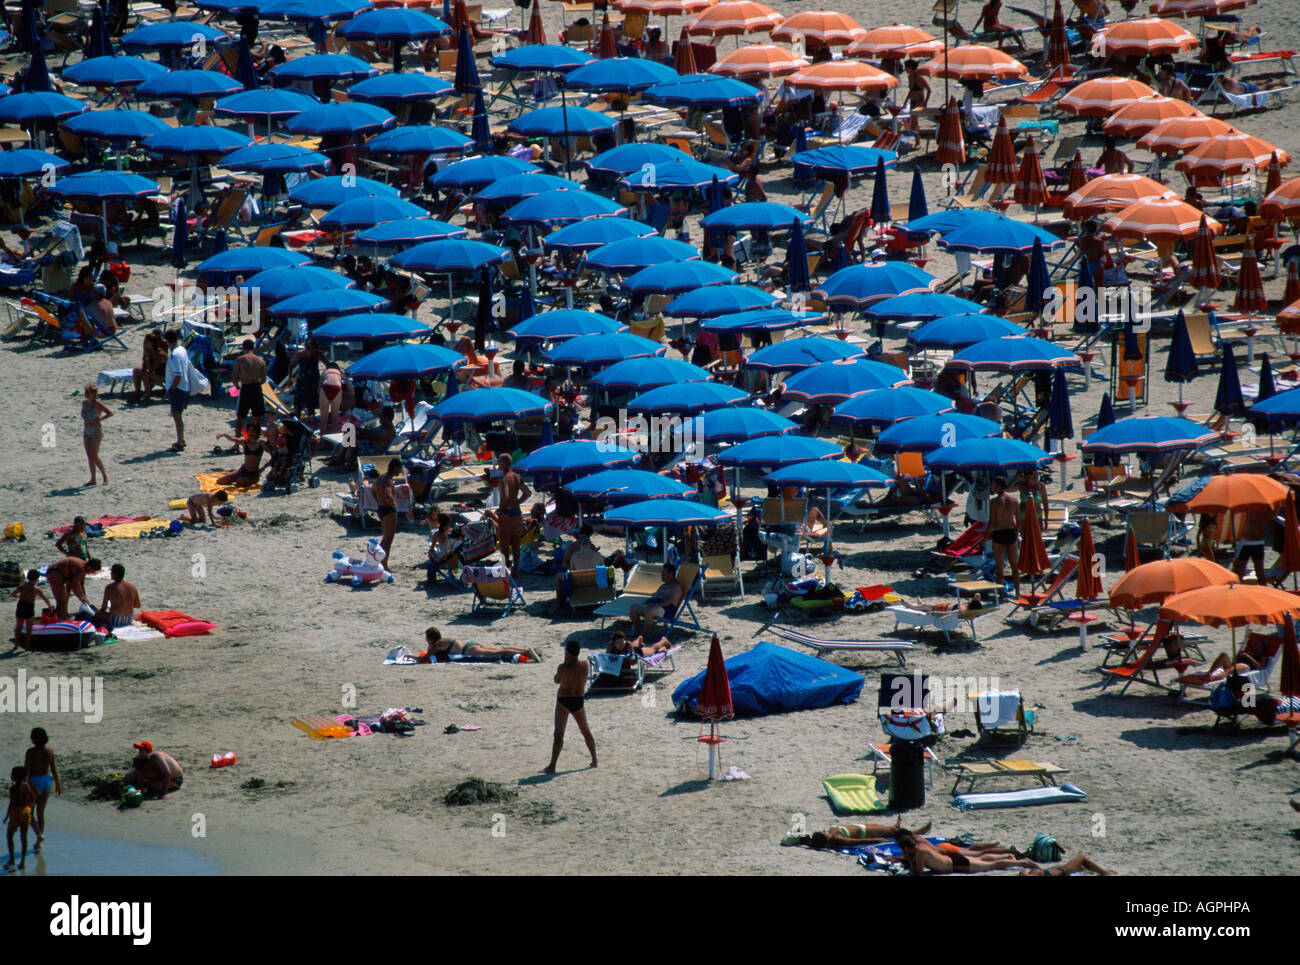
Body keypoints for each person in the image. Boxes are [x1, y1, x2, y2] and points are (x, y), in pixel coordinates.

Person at [544, 639, 597, 773]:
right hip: (578, 699)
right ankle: (595, 759)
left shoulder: (563, 667)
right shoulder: (585, 665)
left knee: (559, 734)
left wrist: (564, 661)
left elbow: (557, 680)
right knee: (585, 730)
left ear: (567, 652)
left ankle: (552, 765)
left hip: (563, 700)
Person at [895, 831, 1037, 874]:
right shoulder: (920, 847)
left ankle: (1023, 862)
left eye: (903, 849)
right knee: (982, 858)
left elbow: (918, 871)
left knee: (991, 865)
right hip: (953, 859)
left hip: (957, 865)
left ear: (907, 847)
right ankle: (1008, 855)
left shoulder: (920, 852)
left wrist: (908, 860)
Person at [23, 728, 60, 851]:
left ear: (35, 739)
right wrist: (58, 784)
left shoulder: (30, 752)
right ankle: (39, 842)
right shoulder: (49, 750)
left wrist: (23, 785)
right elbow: (53, 768)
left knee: (28, 812)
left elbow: (26, 770)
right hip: (46, 781)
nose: (30, 738)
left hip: (34, 782)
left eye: (31, 736)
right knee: (40, 813)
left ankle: (39, 834)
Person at [419, 626, 540, 662]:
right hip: (471, 643)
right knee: (500, 648)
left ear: (431, 638)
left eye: (426, 638)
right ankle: (526, 649)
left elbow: (424, 657)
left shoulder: (437, 645)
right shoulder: (444, 640)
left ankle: (526, 652)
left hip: (469, 650)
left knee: (500, 652)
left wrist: (412, 657)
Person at [495, 453, 531, 573]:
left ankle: (505, 570)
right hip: (516, 512)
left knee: (504, 544)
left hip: (506, 513)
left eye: (499, 461)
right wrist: (518, 502)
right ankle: (516, 569)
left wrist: (500, 509)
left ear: (504, 463)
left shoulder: (504, 479)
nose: (498, 464)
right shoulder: (516, 476)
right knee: (516, 542)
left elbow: (504, 496)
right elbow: (527, 493)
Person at [629, 562, 684, 638]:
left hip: (666, 610)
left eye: (663, 573)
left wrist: (656, 604)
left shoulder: (676, 587)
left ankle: (643, 636)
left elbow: (671, 601)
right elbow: (655, 596)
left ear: (671, 574)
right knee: (633, 608)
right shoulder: (663, 586)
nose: (661, 575)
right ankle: (638, 631)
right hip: (654, 606)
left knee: (649, 612)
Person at [988, 477, 1021, 592]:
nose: (992, 487)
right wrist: (1016, 534)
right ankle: (1018, 593)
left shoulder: (993, 502)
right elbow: (1018, 521)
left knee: (999, 569)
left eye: (993, 485)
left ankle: (1001, 595)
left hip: (998, 533)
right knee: (1014, 567)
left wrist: (985, 537)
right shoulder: (1014, 500)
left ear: (999, 486)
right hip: (1011, 532)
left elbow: (991, 522)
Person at [215, 422, 270, 487]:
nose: (251, 433)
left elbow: (274, 455)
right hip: (243, 470)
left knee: (239, 482)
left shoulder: (261, 444)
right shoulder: (245, 442)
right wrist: (223, 434)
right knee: (220, 481)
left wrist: (263, 468)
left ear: (257, 432)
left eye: (253, 431)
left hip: (253, 473)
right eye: (249, 431)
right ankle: (235, 474)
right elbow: (232, 438)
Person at [79, 383, 113, 487]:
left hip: (96, 430)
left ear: (93, 394)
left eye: (88, 393)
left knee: (94, 455)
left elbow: (110, 413)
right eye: (85, 392)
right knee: (89, 455)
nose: (86, 394)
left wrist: (100, 419)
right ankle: (93, 479)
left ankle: (104, 475)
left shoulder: (97, 404)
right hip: (86, 430)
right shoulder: (84, 403)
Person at [231, 340, 267, 436]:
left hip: (246, 388)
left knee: (240, 418)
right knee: (256, 418)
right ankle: (255, 441)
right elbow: (263, 380)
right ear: (253, 348)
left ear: (243, 348)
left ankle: (237, 444)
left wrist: (237, 386)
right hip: (256, 388)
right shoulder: (260, 360)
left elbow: (234, 378)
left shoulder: (240, 359)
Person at [163, 329, 191, 452]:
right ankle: (181, 440)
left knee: (177, 416)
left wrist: (172, 388)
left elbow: (178, 375)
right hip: (183, 386)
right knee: (177, 415)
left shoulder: (175, 354)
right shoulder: (182, 350)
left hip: (178, 388)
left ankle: (180, 441)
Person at [5, 766, 36, 869]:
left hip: (15, 812)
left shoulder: (13, 788)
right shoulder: (27, 786)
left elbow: (11, 803)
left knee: (9, 836)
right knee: (24, 838)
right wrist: (29, 808)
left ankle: (12, 859)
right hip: (25, 812)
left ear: (14, 777)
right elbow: (33, 798)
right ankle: (22, 862)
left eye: (12, 775)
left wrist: (6, 816)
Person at [12, 570, 51, 650]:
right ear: (36, 578)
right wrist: (49, 605)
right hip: (29, 607)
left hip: (21, 605)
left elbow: (13, 594)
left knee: (19, 627)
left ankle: (16, 645)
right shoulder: (37, 588)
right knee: (29, 629)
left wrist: (19, 595)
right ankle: (27, 646)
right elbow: (44, 598)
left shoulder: (22, 586)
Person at [374, 458, 402, 572]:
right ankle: (384, 565)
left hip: (380, 508)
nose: (400, 471)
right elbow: (388, 495)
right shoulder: (388, 481)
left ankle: (377, 561)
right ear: (395, 468)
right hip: (388, 511)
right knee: (388, 540)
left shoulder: (380, 477)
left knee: (384, 539)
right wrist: (394, 505)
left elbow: (374, 490)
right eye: (400, 469)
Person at [95, 563, 141, 630]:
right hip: (129, 618)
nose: (110, 574)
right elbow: (137, 605)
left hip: (116, 619)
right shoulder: (132, 586)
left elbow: (104, 608)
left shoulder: (110, 587)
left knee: (96, 611)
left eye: (111, 572)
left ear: (115, 574)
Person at [1233, 509, 1273, 584]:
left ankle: (1236, 591)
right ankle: (1264, 591)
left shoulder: (1250, 507)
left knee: (1238, 572)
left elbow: (1249, 524)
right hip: (1259, 542)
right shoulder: (1267, 510)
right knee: (1260, 572)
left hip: (1247, 541)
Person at [133, 330, 168, 405]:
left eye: (146, 342)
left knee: (146, 374)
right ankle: (137, 394)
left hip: (164, 376)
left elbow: (151, 369)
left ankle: (148, 397)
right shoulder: (149, 351)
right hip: (155, 373)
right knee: (136, 371)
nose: (144, 344)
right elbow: (145, 365)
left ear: (152, 343)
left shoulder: (160, 354)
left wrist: (148, 358)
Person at [289, 339, 322, 420]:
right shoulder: (300, 354)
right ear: (306, 348)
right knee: (298, 404)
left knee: (312, 403)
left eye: (313, 351)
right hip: (302, 380)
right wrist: (290, 379)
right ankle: (297, 420)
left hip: (313, 380)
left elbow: (328, 364)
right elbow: (291, 366)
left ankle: (311, 419)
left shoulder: (317, 354)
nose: (311, 353)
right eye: (309, 350)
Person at [1021, 853, 1114, 876]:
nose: (1022, 873)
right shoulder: (1037, 874)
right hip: (1066, 871)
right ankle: (1104, 873)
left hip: (1062, 869)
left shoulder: (1034, 872)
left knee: (1081, 866)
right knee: (1082, 858)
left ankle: (1081, 869)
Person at [607, 630, 674, 659]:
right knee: (634, 645)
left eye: (622, 642)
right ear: (614, 643)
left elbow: (632, 658)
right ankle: (639, 639)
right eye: (618, 643)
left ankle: (664, 641)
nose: (621, 645)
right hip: (632, 648)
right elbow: (606, 656)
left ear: (625, 641)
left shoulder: (627, 644)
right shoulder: (611, 645)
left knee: (653, 649)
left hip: (639, 652)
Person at [319, 362, 346, 431]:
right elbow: (348, 385)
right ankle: (335, 434)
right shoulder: (340, 373)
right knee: (335, 415)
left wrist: (318, 392)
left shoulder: (326, 371)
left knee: (324, 416)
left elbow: (319, 385)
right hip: (337, 388)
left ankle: (322, 437)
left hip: (326, 387)